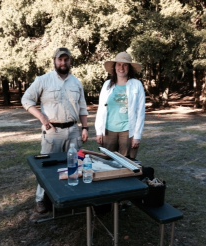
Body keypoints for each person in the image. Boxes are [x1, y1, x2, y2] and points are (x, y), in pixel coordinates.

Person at [21, 47, 89, 220]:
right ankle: (41, 200)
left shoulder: (76, 83)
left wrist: (86, 128)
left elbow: (82, 108)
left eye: (66, 60)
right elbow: (26, 99)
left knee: (75, 164)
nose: (63, 63)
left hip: (73, 130)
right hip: (53, 131)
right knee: (46, 167)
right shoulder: (43, 80)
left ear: (71, 61)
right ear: (55, 60)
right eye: (60, 59)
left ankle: (72, 196)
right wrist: (42, 118)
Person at [95, 51, 145, 160]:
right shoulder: (107, 85)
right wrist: (99, 131)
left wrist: (137, 136)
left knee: (127, 163)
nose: (121, 68)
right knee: (107, 162)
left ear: (129, 68)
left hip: (127, 131)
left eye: (125, 65)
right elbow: (101, 110)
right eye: (119, 64)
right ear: (114, 67)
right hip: (108, 131)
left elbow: (141, 112)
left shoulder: (136, 85)